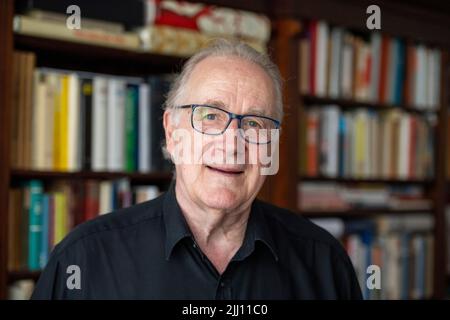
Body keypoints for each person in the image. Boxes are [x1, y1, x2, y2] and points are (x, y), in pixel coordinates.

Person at [31, 39, 362, 299]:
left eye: (255, 123)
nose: (232, 143)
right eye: (210, 116)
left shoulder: (325, 263)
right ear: (172, 134)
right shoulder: (84, 259)